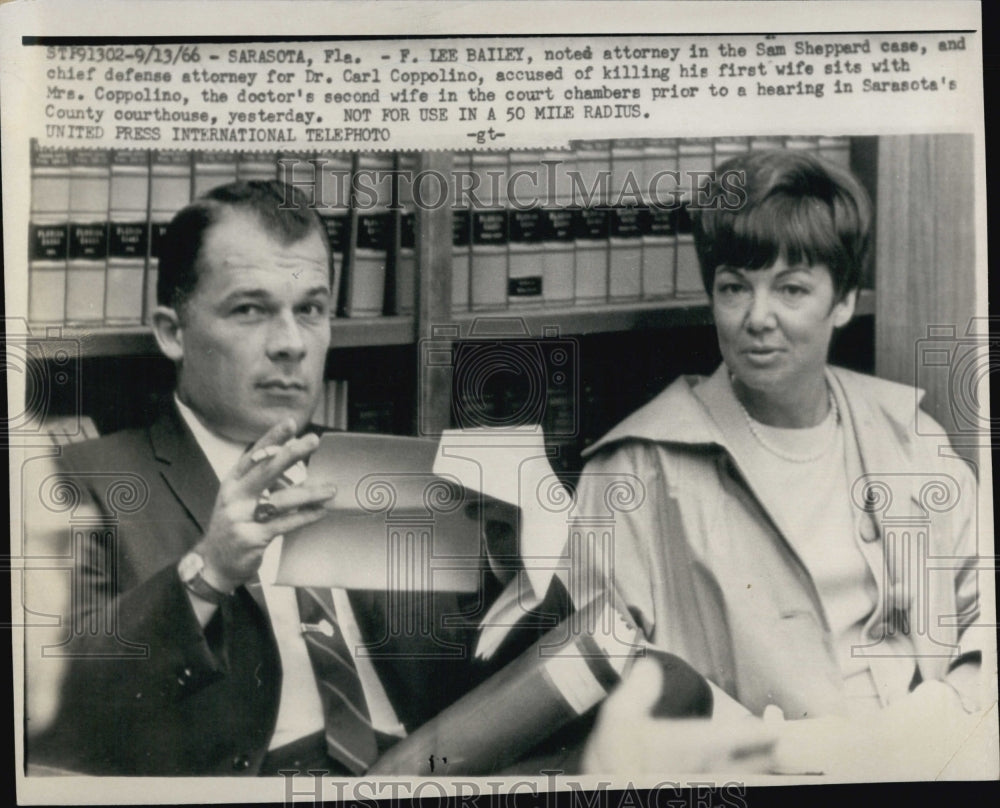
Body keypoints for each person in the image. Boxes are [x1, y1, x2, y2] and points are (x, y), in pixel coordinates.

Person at [26, 180, 520, 776]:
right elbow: (46, 715)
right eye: (251, 310)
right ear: (172, 332)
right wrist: (207, 574)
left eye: (310, 309)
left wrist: (512, 562)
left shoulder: (385, 468)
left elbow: (498, 673)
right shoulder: (81, 480)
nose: (291, 345)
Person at [576, 150, 987, 775]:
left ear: (844, 300)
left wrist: (934, 726)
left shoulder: (912, 439)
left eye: (791, 288)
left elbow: (985, 621)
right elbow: (615, 689)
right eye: (735, 287)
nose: (757, 318)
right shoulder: (632, 472)